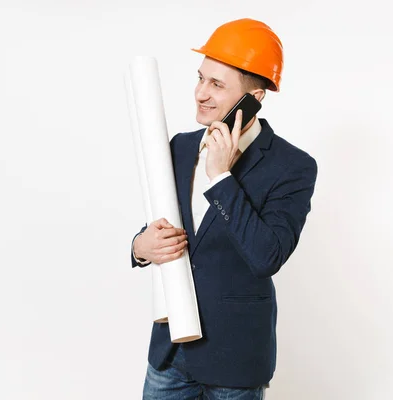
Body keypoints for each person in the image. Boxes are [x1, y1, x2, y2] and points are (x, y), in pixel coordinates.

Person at [130, 18, 318, 400]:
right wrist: (139, 247)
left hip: (234, 361)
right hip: (169, 356)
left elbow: (267, 256)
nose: (200, 93)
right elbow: (158, 226)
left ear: (256, 96)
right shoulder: (179, 147)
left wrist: (221, 178)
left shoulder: (292, 166)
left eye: (217, 84)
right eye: (201, 78)